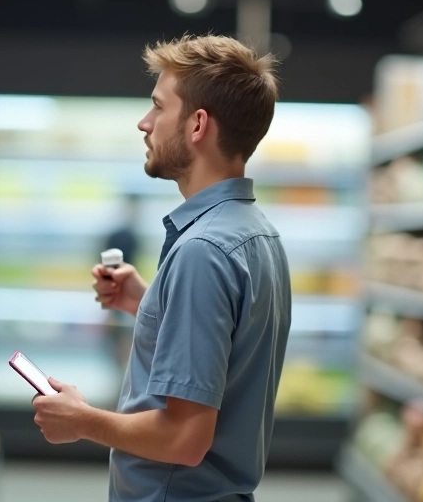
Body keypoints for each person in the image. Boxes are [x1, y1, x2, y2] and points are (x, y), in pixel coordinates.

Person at [31, 34, 292, 502]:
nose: (144, 122)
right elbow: (226, 351)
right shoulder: (258, 234)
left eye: (157, 106)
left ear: (197, 124)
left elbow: (184, 439)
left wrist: (82, 420)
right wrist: (148, 302)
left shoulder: (202, 251)